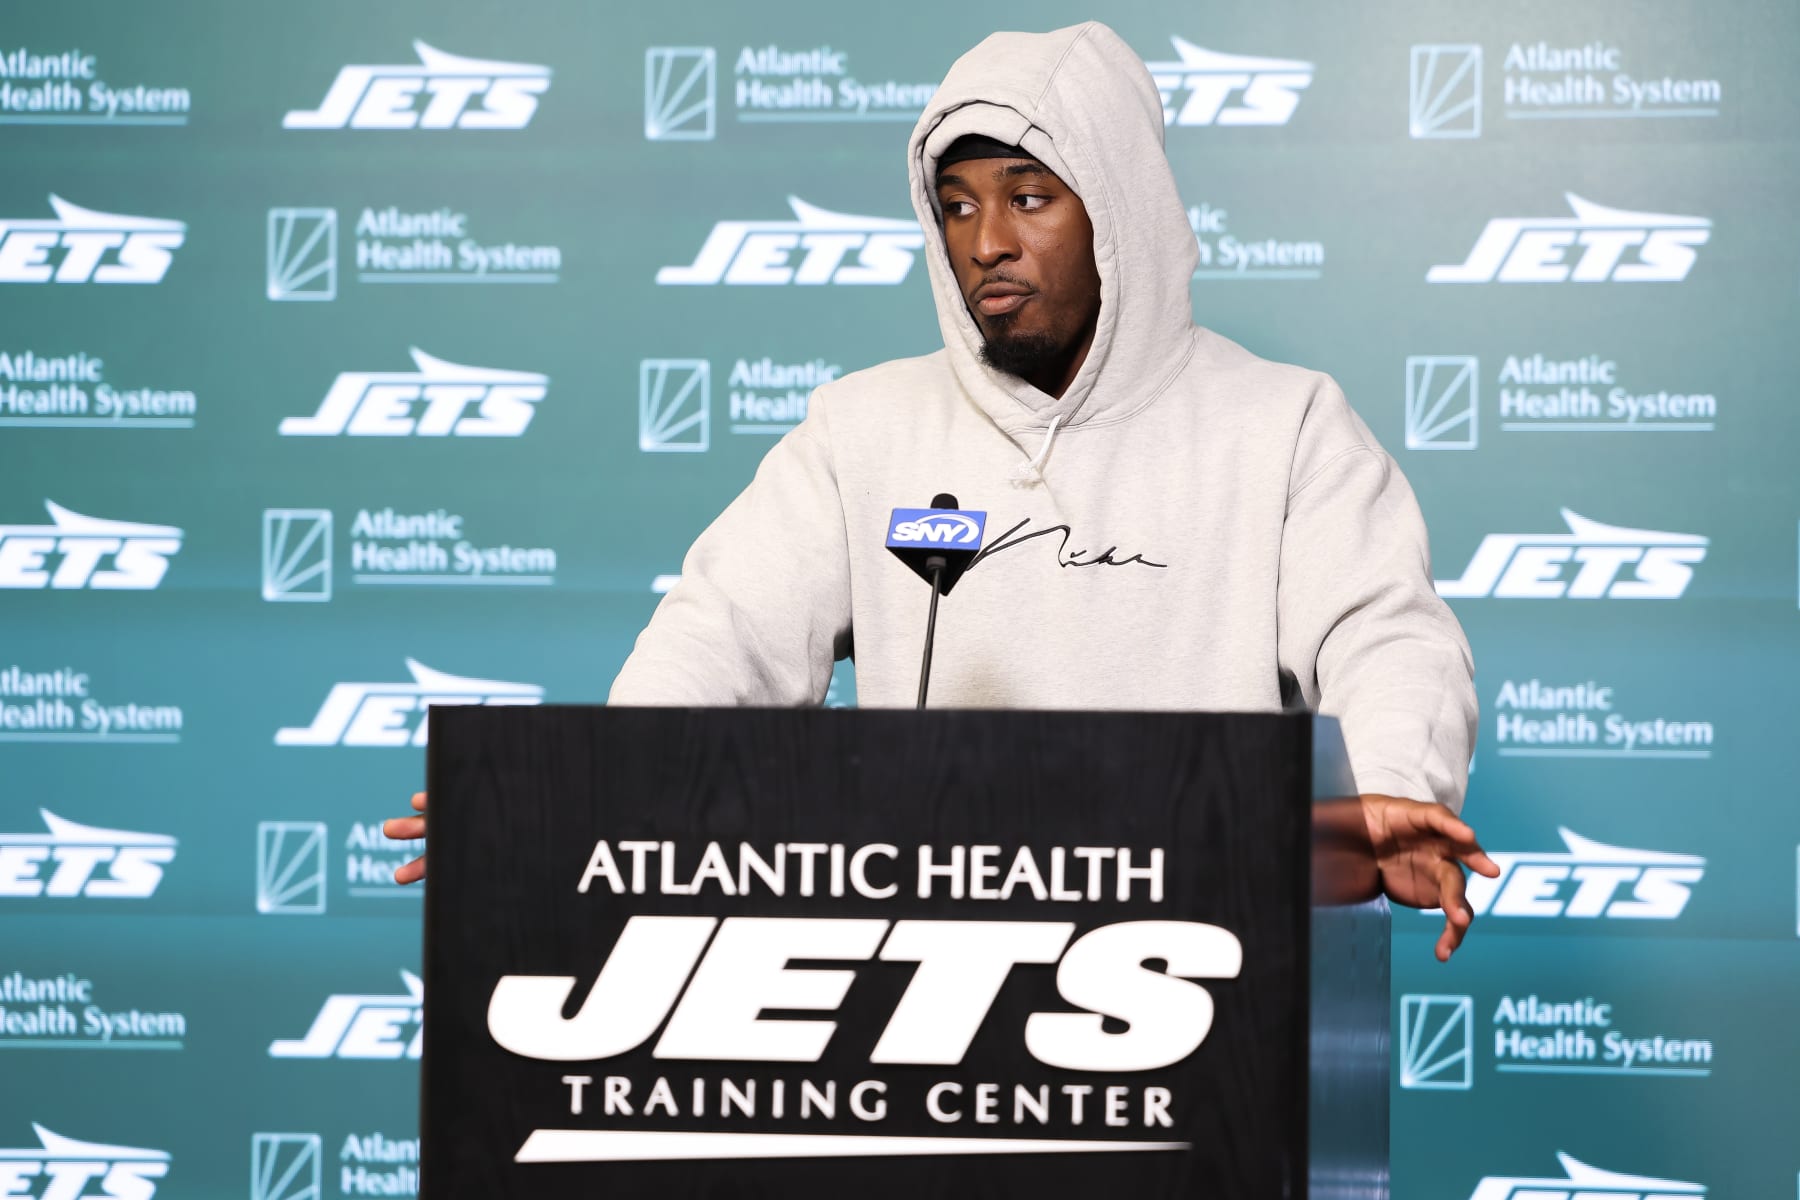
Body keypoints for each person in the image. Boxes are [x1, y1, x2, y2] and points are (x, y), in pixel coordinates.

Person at [386, 21, 1497, 959]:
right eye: (958, 207)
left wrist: (1393, 786)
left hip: (1197, 967)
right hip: (924, 976)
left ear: (1122, 211)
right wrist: (589, 797)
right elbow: (716, 639)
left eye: (1030, 196)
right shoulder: (864, 428)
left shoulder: (1283, 425)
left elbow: (1387, 636)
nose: (990, 244)